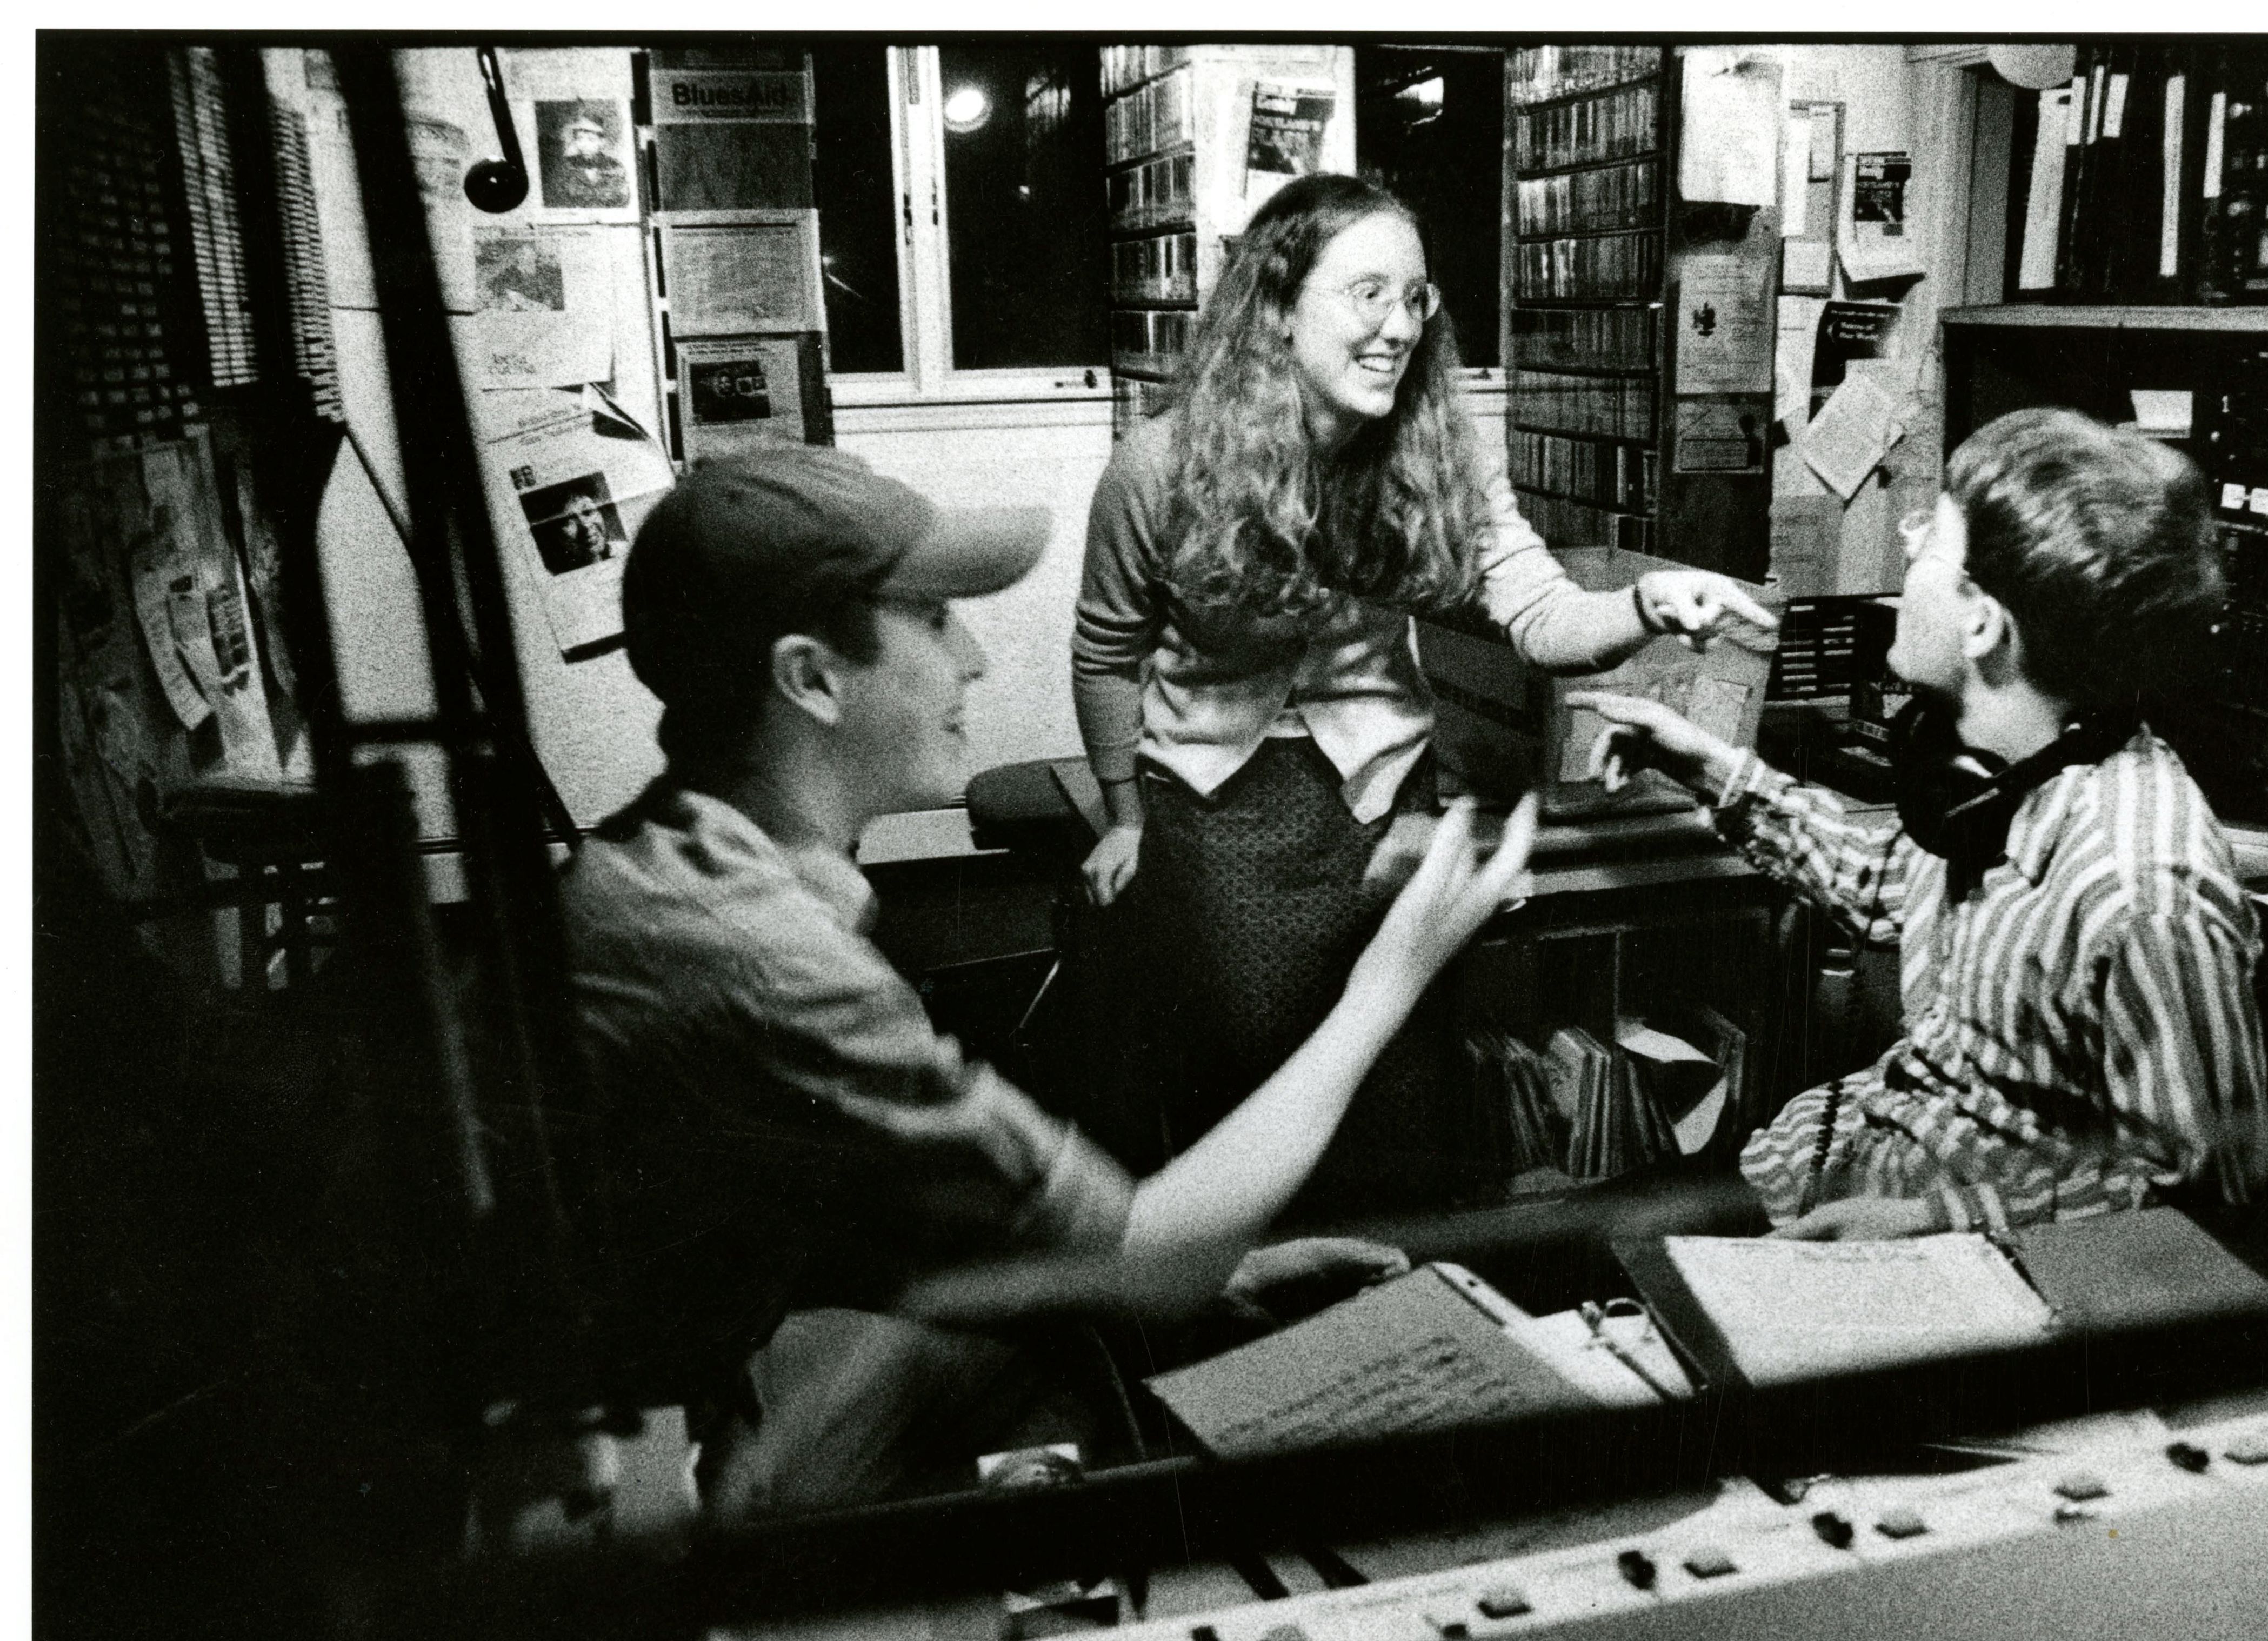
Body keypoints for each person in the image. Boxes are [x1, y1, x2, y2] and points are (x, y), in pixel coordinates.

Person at [561, 446, 1537, 1522]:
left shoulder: (699, 864)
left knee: (1064, 1343)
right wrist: (1392, 976)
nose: (974, 659)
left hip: (675, 1382)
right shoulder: (761, 954)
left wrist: (1210, 1270)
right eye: (936, 620)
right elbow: (1149, 1258)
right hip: (619, 1491)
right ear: (810, 678)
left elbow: (924, 1214)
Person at [1072, 171, 1775, 1209]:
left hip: (1385, 803)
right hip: (1218, 815)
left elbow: (1542, 614)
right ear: (1277, 307)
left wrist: (1645, 604)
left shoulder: (1437, 452)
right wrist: (1125, 814)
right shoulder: (1157, 467)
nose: (1400, 326)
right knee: (1254, 1109)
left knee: (1399, 1101)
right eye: (1368, 294)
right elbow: (1105, 653)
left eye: (1415, 297)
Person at [1575, 408, 2266, 1242]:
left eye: (1928, 540)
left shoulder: (2142, 888)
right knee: (1571, 1242)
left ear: (1983, 621)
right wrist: (1703, 762)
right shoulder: (1992, 776)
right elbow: (1881, 885)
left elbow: (2198, 1190)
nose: (1906, 556)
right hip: (1827, 1165)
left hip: (1937, 1251)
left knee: (1582, 1263)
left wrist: (1931, 1221)